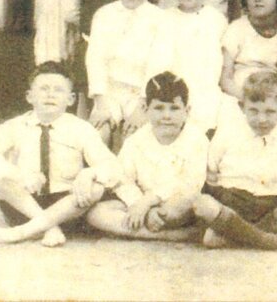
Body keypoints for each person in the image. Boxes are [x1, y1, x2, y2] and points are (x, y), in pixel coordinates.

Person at [0, 62, 120, 247]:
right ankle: (48, 227)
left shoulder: (81, 129)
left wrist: (89, 173)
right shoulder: (16, 126)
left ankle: (18, 234)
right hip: (25, 208)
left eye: (58, 90)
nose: (50, 94)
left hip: (68, 208)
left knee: (96, 187)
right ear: (30, 96)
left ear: (71, 99)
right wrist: (20, 175)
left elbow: (111, 166)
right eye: (43, 89)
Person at [190, 73, 277, 253]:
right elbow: (212, 171)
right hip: (232, 202)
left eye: (270, 112)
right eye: (253, 110)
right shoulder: (228, 131)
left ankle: (232, 234)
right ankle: (275, 242)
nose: (261, 119)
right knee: (202, 203)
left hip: (272, 205)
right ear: (242, 107)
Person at [86, 73, 207, 242]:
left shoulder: (196, 138)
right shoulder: (136, 140)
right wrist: (139, 205)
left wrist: (148, 202)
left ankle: (153, 228)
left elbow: (191, 182)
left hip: (175, 205)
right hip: (142, 204)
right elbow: (123, 180)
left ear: (187, 111)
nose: (166, 115)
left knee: (185, 203)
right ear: (145, 109)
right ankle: (169, 236)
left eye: (174, 108)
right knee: (96, 213)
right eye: (159, 108)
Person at [86, 0, 171, 151]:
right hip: (109, 92)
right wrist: (101, 102)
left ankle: (127, 180)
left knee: (134, 140)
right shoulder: (103, 15)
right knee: (97, 135)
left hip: (142, 95)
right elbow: (95, 59)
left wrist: (143, 106)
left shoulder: (161, 20)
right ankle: (101, 178)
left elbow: (158, 65)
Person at [160, 0, 228, 131]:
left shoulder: (216, 19)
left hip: (208, 93)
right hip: (174, 93)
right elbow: (159, 61)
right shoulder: (165, 19)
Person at [220, 0, 277, 99]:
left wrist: (274, 99)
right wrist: (245, 99)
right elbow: (225, 80)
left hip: (271, 96)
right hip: (238, 93)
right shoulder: (237, 28)